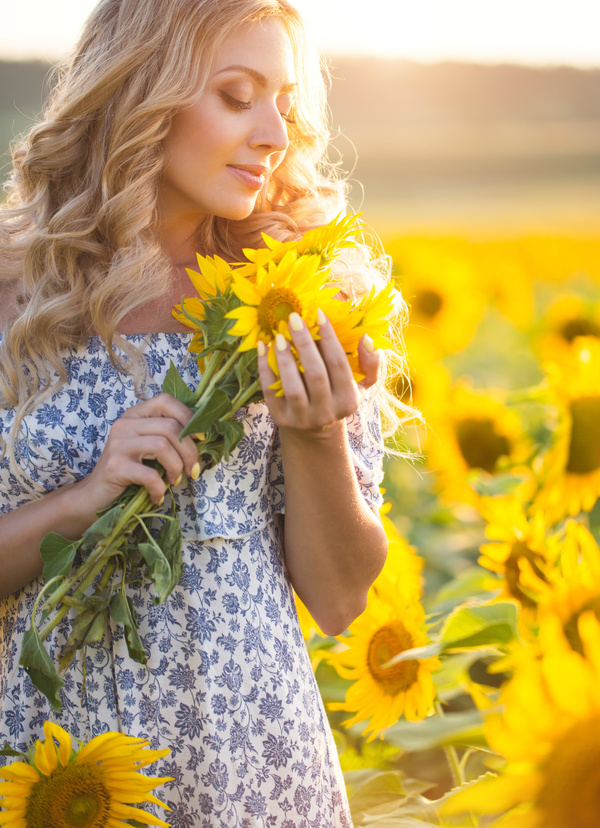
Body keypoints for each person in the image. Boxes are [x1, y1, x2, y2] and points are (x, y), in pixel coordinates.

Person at [0, 0, 406, 823]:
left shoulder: (294, 292)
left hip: (256, 758)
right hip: (58, 764)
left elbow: (337, 601)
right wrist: (86, 501)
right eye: (236, 94)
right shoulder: (15, 293)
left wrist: (314, 430)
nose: (274, 134)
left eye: (285, 105)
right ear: (140, 89)